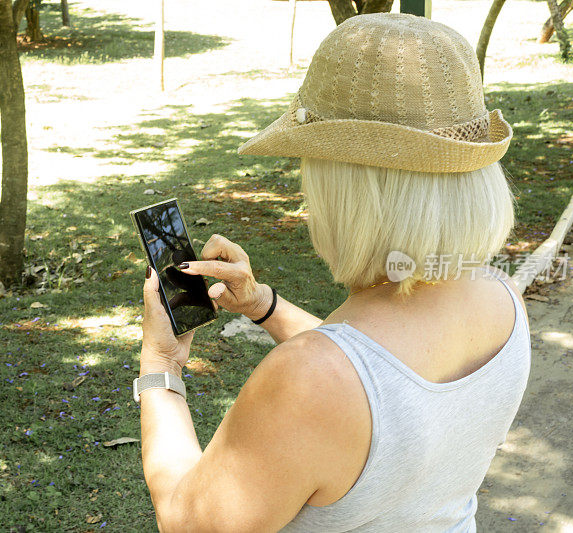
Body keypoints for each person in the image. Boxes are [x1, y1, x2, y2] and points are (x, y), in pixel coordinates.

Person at [135, 13, 530, 532]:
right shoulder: (502, 297)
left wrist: (160, 363)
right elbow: (381, 382)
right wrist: (263, 305)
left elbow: (187, 524)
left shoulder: (308, 381)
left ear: (349, 192)